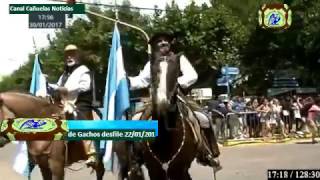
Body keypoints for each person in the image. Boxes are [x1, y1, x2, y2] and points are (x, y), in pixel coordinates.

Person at [128, 32, 220, 169]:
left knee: (203, 118)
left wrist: (176, 83)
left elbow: (192, 75)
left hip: (177, 96)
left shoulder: (179, 58)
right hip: (155, 98)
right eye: (159, 41)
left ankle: (207, 152)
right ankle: (136, 157)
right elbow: (142, 80)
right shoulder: (151, 62)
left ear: (170, 43)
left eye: (166, 40)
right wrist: (126, 81)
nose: (163, 42)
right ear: (155, 45)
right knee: (135, 120)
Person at [48, 44, 96, 165]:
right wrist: (47, 84)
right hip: (64, 103)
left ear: (78, 56)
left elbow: (85, 86)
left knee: (81, 121)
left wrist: (66, 89)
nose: (69, 57)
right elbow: (57, 86)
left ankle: (92, 153)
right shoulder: (64, 74)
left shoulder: (83, 70)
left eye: (72, 54)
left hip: (80, 102)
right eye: (67, 55)